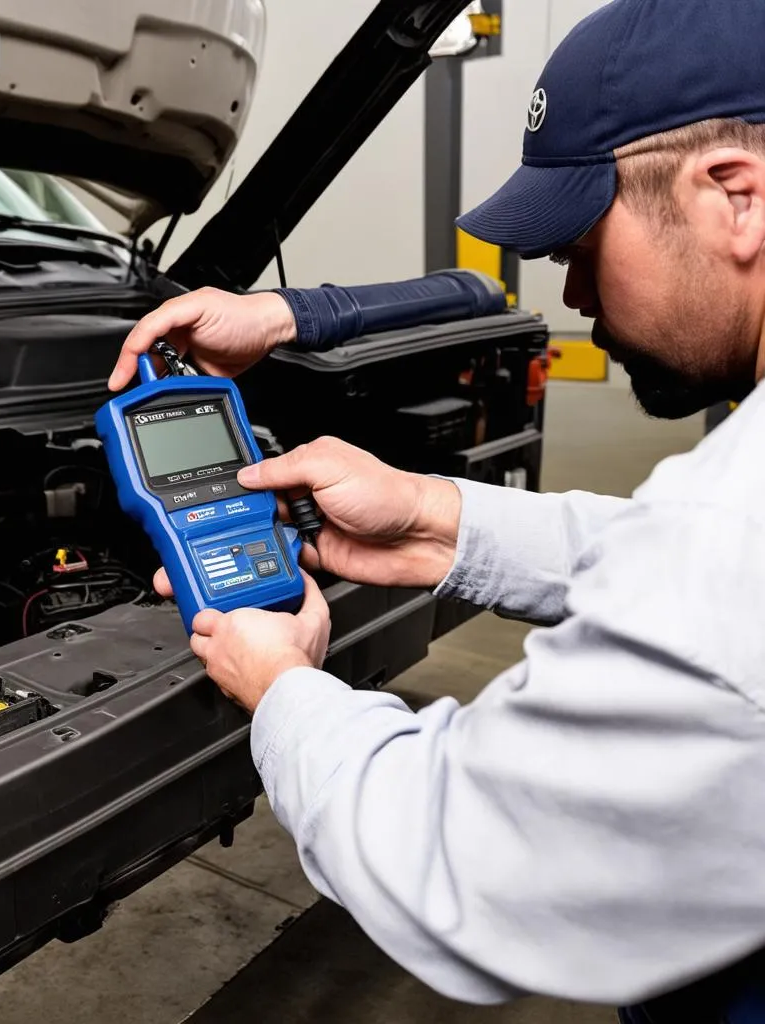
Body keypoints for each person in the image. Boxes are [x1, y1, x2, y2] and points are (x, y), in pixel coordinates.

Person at [108, 1, 765, 1020]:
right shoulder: (726, 524)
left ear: (734, 197)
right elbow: (680, 568)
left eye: (581, 239)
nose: (575, 289)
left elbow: (467, 861)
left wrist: (284, 686)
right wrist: (433, 518)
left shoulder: (736, 520)